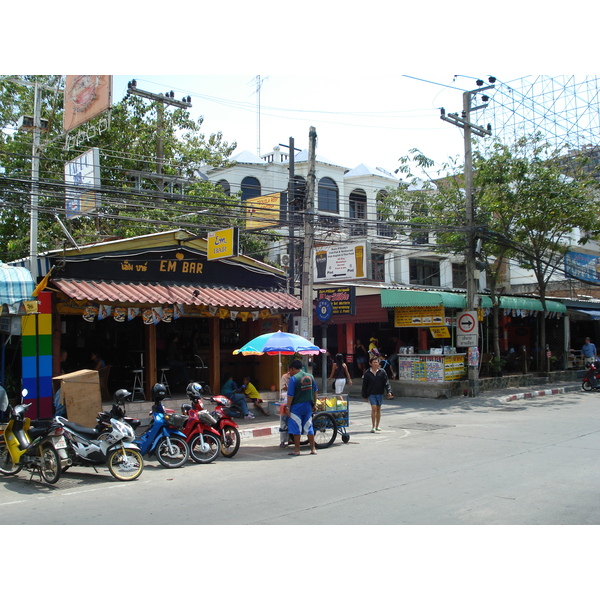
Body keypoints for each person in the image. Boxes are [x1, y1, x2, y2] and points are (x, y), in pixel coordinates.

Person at [285, 359, 318, 456]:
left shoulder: (294, 379)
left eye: (289, 370)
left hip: (296, 408)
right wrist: (314, 404)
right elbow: (315, 391)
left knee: (296, 428)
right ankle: (313, 448)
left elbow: (290, 395)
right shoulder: (310, 376)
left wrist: (288, 408)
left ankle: (297, 449)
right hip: (308, 406)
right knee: (309, 427)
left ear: (293, 368)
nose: (289, 373)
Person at [361, 356, 393, 433]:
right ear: (370, 363)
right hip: (371, 394)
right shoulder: (367, 373)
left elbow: (386, 382)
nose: (376, 364)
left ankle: (377, 425)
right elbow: (364, 385)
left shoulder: (382, 372)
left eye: (377, 362)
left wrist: (389, 391)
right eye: (374, 362)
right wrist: (365, 395)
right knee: (374, 408)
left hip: (380, 393)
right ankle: (373, 426)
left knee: (378, 409)